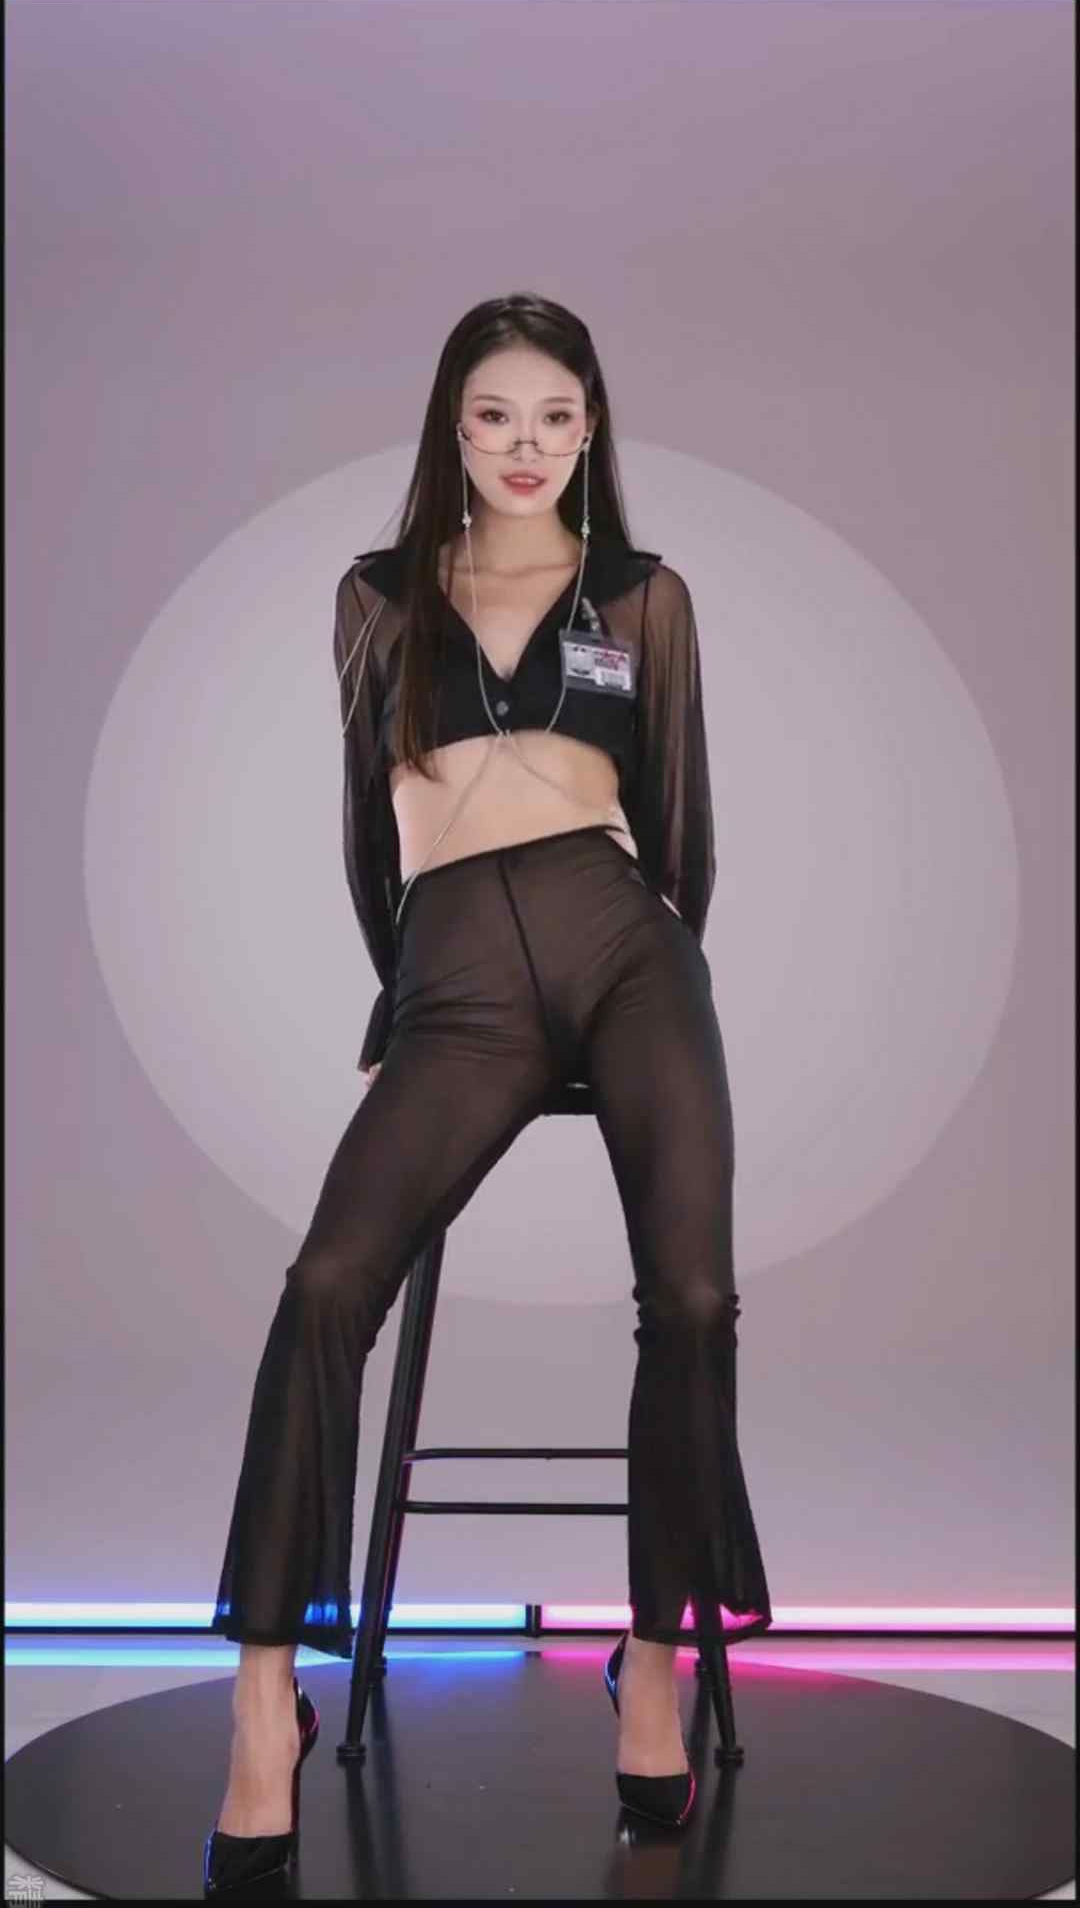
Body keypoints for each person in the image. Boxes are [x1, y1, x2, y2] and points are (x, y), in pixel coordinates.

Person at [203, 293, 772, 1885]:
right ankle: (264, 1701)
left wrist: (655, 984)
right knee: (326, 1286)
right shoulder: (379, 595)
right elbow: (361, 825)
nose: (527, 447)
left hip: (625, 949)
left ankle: (648, 1663)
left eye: (556, 418)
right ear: (452, 430)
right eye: (496, 417)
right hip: (457, 970)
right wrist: (406, 988)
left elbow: (682, 824)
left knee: (697, 1299)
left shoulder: (643, 595)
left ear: (592, 430)